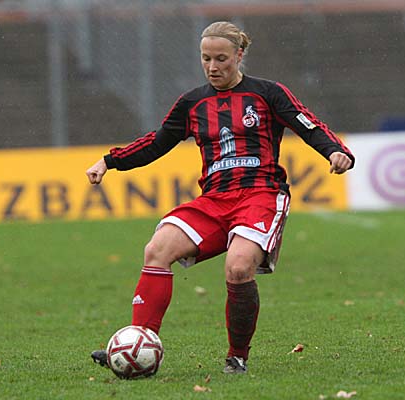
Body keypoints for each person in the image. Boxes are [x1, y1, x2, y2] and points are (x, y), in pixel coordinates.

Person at [86, 21, 355, 374]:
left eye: (221, 59)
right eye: (206, 58)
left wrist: (336, 151)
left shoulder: (268, 93)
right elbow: (157, 142)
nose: (212, 67)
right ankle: (138, 344)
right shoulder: (192, 103)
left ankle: (237, 356)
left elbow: (307, 123)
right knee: (157, 249)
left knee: (239, 267)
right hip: (214, 200)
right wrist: (110, 161)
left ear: (239, 55)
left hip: (261, 194)